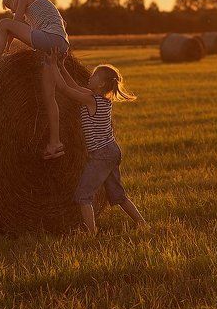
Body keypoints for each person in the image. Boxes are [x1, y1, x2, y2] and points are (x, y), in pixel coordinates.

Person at [48, 51, 147, 235]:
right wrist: (61, 66)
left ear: (100, 84)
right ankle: (142, 223)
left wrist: (52, 65)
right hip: (111, 151)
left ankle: (91, 232)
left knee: (83, 195)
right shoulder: (100, 99)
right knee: (117, 195)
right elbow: (73, 85)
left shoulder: (90, 99)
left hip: (102, 154)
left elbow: (64, 89)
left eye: (93, 76)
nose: (89, 77)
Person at [0, 0, 70, 160]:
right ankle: (55, 143)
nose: (13, 11)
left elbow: (13, 25)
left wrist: (5, 50)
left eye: (11, 6)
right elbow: (61, 22)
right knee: (49, 97)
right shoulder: (41, 5)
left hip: (50, 39)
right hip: (60, 44)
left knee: (3, 24)